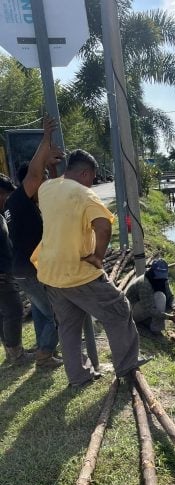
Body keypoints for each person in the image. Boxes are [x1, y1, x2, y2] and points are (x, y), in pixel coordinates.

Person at [35, 149, 146, 388]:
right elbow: (103, 227)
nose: (93, 183)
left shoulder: (47, 188)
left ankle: (78, 377)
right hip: (78, 271)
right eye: (93, 177)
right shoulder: (85, 194)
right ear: (86, 173)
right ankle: (127, 366)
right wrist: (98, 256)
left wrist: (52, 168)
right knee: (118, 310)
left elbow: (57, 194)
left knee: (69, 327)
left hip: (50, 272)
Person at [4, 116, 64, 369]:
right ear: (29, 183)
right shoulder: (19, 199)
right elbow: (35, 173)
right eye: (39, 180)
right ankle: (45, 355)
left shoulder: (18, 205)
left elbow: (53, 184)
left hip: (25, 269)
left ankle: (42, 347)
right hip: (29, 270)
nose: (43, 183)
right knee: (56, 314)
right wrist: (46, 138)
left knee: (40, 311)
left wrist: (52, 166)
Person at [0, 174, 31, 365]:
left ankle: (10, 350)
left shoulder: (2, 214)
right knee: (14, 310)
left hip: (6, 270)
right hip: (2, 274)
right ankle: (16, 354)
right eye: (5, 195)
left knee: (4, 312)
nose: (8, 200)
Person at [126, 258, 175, 336]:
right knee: (160, 297)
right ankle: (156, 328)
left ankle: (149, 322)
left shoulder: (163, 280)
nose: (160, 279)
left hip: (145, 305)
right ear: (152, 272)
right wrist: (169, 317)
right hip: (131, 311)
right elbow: (149, 309)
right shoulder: (144, 283)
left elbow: (170, 296)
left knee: (166, 301)